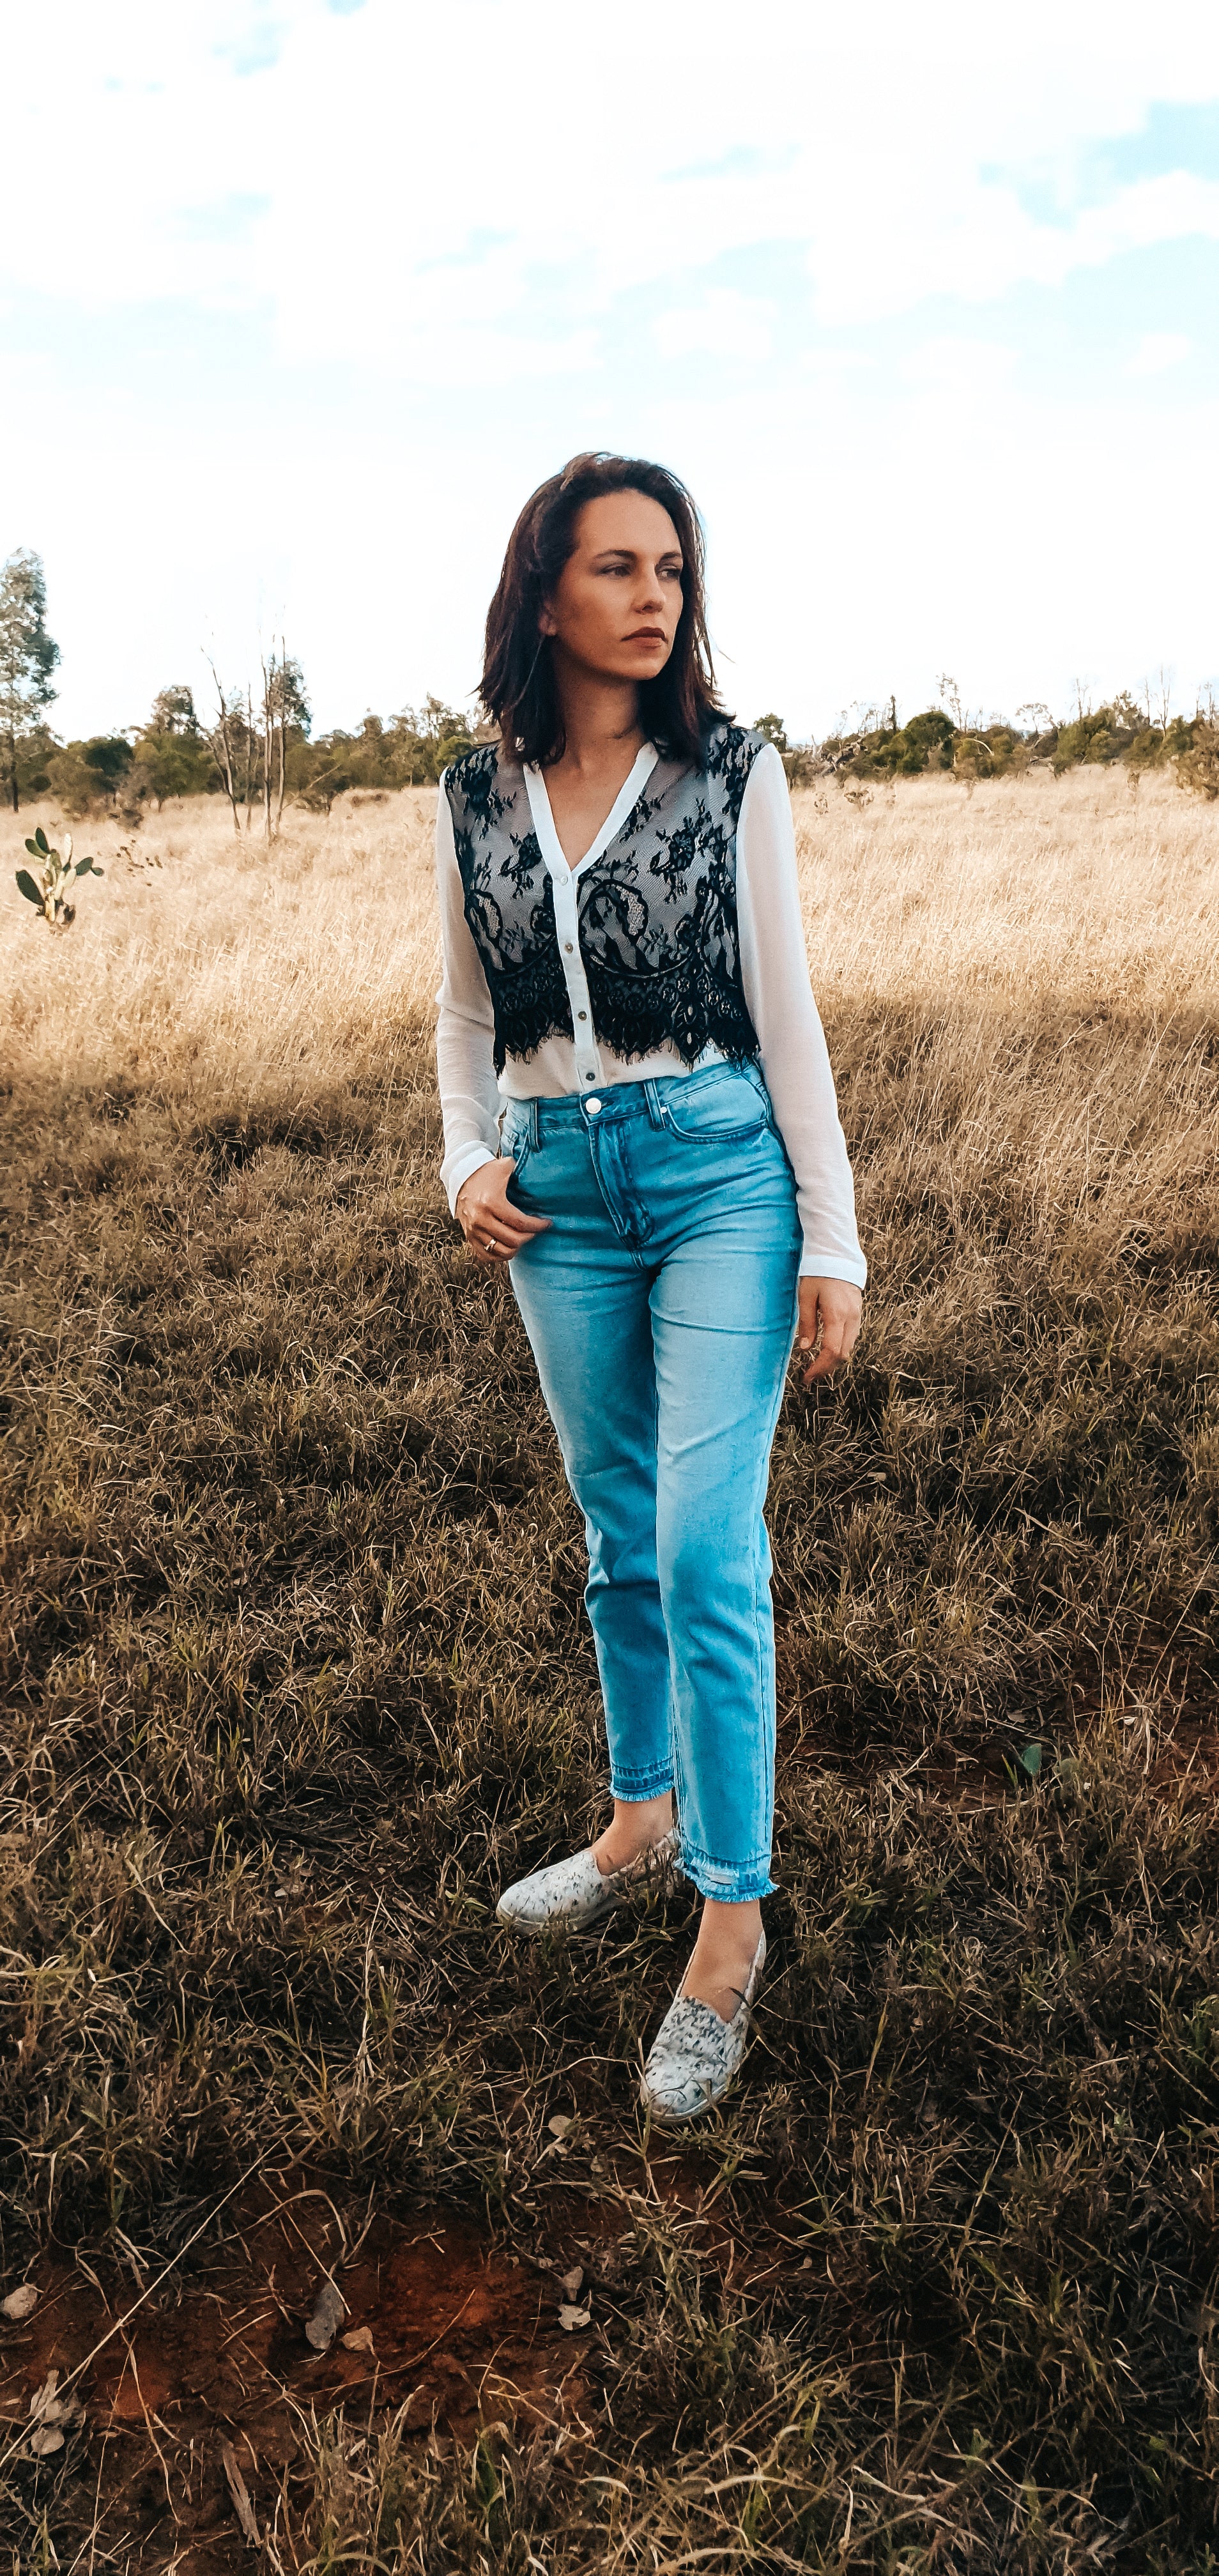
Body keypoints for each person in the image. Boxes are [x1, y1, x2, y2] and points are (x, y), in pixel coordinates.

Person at [434, 452, 865, 2122]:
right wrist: (464, 1157)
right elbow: (467, 1017)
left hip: (714, 1174)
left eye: (670, 568)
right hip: (555, 1193)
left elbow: (789, 1012)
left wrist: (830, 1238)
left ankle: (732, 1917)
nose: (651, 594)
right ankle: (635, 1819)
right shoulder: (470, 796)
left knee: (702, 1544)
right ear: (542, 591)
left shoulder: (728, 773)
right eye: (615, 566)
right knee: (615, 1535)